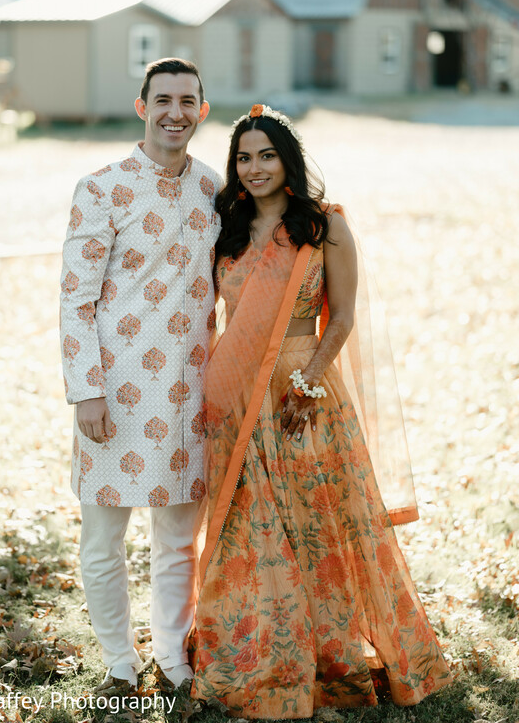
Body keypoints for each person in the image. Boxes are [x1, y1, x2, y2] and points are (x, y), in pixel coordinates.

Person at [190, 104, 453, 716]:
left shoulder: (324, 225)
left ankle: (324, 652)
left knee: (316, 527)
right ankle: (257, 649)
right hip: (235, 397)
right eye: (243, 158)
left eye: (267, 155)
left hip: (300, 393)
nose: (254, 168)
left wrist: (307, 387)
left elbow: (343, 317)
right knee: (247, 528)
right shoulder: (226, 229)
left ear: (289, 161)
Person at [59, 58, 222, 694]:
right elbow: (76, 300)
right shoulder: (102, 189)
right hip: (116, 394)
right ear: (142, 107)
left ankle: (173, 655)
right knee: (105, 538)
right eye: (163, 100)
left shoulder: (213, 188)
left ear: (202, 110)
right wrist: (87, 392)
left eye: (187, 101)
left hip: (191, 394)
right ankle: (118, 662)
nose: (174, 113)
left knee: (178, 539)